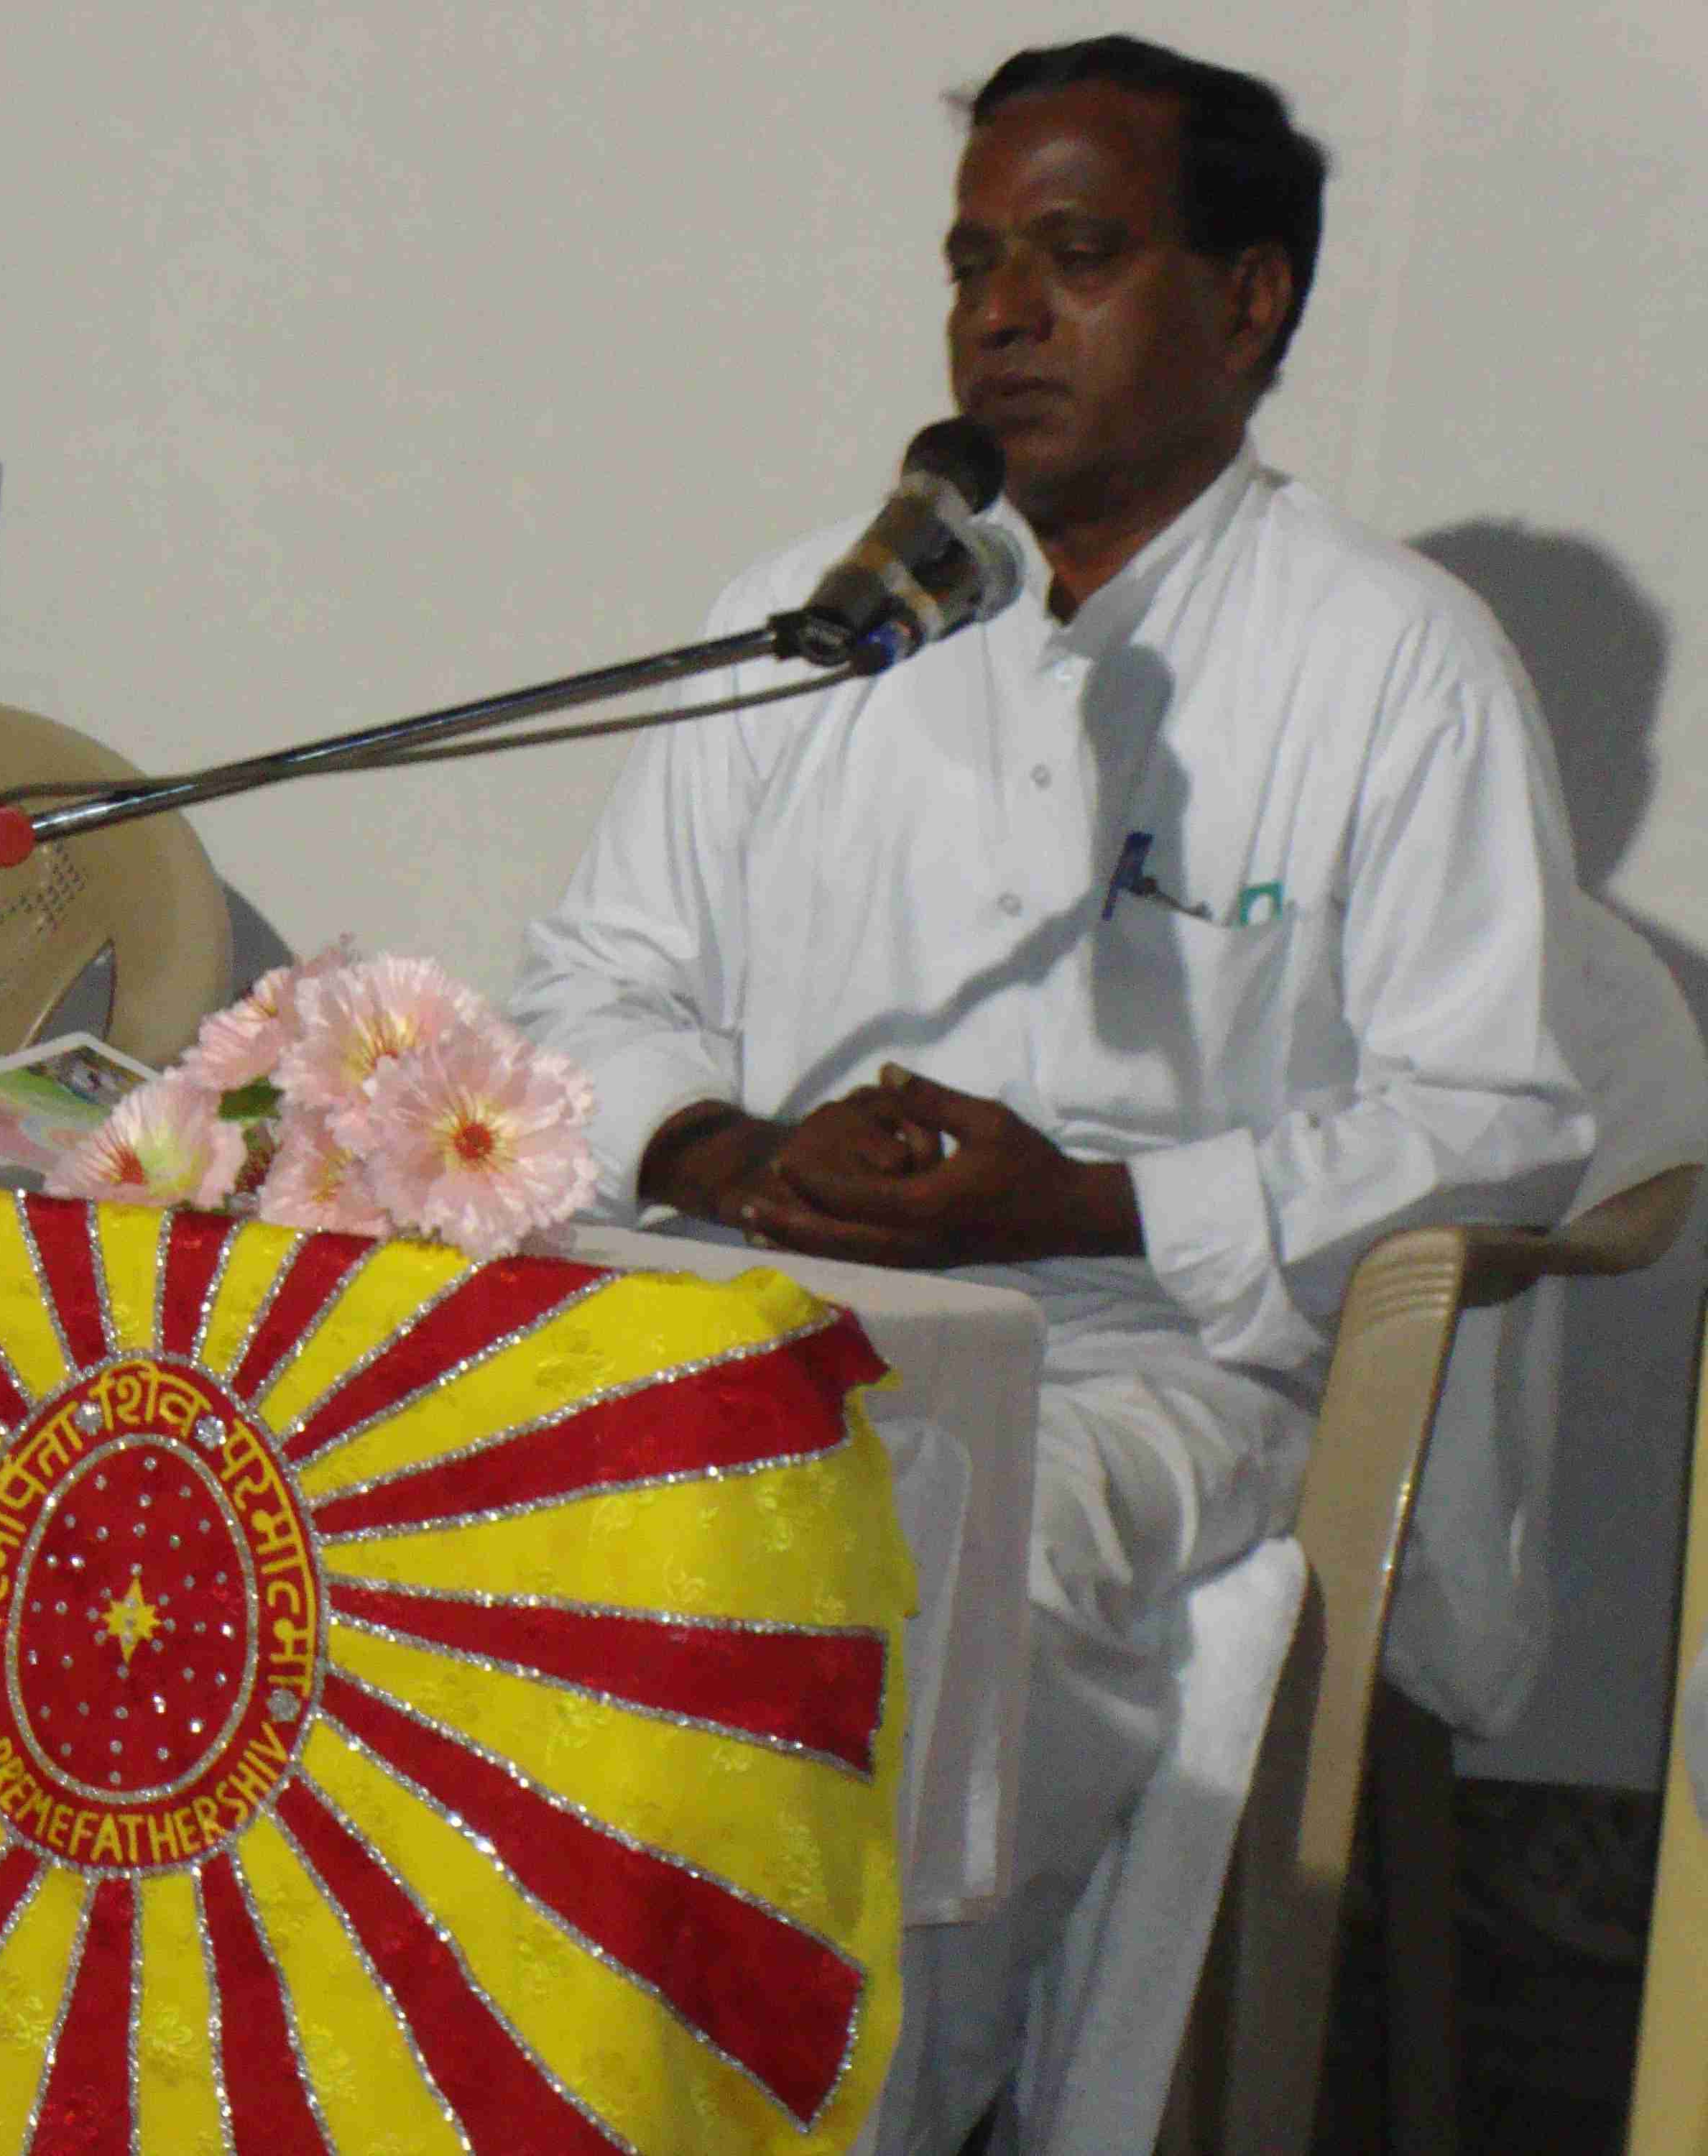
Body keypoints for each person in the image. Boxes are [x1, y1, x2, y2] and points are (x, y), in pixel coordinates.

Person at [510, 34, 1609, 2150]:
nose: (1003, 314)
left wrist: (1092, 1209)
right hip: (771, 1303)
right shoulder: (812, 622)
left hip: (1152, 1351)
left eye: (1078, 256)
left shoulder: (1393, 657)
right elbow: (597, 983)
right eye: (974, 263)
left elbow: (1496, 1117)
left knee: (900, 1590)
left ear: (1250, 300)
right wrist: (737, 1156)